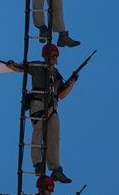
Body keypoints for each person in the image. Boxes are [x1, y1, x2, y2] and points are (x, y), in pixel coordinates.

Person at [8, 42, 77, 183]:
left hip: (53, 107)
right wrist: (13, 64)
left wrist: (72, 82)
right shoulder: (38, 66)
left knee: (54, 137)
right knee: (38, 132)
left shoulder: (57, 75)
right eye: (52, 55)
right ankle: (38, 164)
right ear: (46, 56)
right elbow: (23, 67)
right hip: (38, 104)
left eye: (56, 55)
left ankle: (55, 169)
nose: (55, 57)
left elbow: (61, 95)